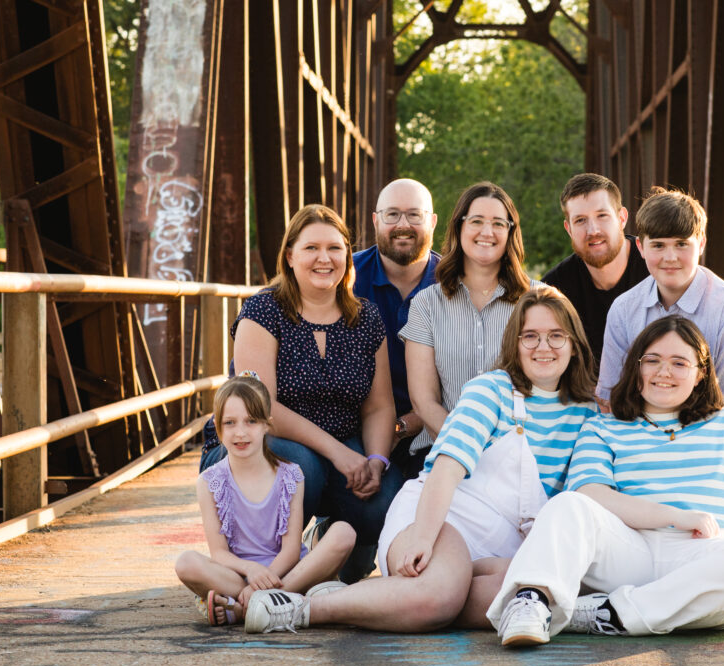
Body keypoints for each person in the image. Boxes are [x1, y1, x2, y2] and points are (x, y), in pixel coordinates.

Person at [240, 287, 599, 635]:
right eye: (530, 336)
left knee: (532, 594)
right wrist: (424, 538)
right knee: (438, 595)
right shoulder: (490, 390)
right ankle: (298, 608)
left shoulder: (589, 414)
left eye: (556, 336)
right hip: (440, 517)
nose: (543, 347)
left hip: (505, 545)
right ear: (514, 344)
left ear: (574, 344)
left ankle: (363, 600)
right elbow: (446, 468)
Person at [488, 317, 724, 647]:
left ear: (700, 373)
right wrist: (673, 516)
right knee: (568, 504)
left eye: (679, 363)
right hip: (629, 550)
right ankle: (532, 603)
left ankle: (605, 614)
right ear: (635, 368)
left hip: (703, 556)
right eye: (652, 360)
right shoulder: (604, 427)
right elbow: (589, 492)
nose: (663, 372)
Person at [199, 204, 404, 583]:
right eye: (311, 248)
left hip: (340, 448)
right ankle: (256, 569)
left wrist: (375, 459)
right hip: (258, 444)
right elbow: (262, 409)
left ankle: (322, 545)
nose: (324, 259)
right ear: (290, 256)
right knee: (296, 467)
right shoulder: (264, 310)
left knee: (384, 500)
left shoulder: (366, 317)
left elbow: (379, 406)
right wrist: (340, 452)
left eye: (335, 248)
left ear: (347, 255)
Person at [597, 188, 724, 575]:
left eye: (682, 244)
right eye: (658, 245)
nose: (670, 257)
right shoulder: (624, 309)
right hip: (660, 447)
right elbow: (611, 401)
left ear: (701, 243)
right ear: (639, 247)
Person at [175, 374, 357, 626]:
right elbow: (219, 553)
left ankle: (246, 605)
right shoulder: (209, 482)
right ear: (218, 428)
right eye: (229, 423)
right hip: (239, 576)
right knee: (186, 563)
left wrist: (267, 577)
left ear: (266, 425)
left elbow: (292, 550)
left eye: (251, 421)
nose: (240, 432)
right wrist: (251, 571)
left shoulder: (291, 475)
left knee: (344, 533)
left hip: (287, 572)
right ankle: (280, 602)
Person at [399, 181, 532, 468]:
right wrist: (470, 447)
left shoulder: (538, 300)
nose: (487, 232)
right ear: (459, 228)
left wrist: (501, 453)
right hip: (445, 450)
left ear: (511, 232)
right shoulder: (426, 304)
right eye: (477, 221)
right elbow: (424, 402)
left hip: (522, 454)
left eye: (499, 223)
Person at [353, 179, 440, 480]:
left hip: (435, 430)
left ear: (432, 221)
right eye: (392, 215)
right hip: (357, 431)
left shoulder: (455, 286)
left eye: (414, 215)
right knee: (374, 510)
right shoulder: (344, 279)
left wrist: (402, 426)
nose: (403, 225)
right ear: (376, 220)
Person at [542, 173, 648, 363]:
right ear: (569, 229)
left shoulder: (655, 270)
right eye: (580, 220)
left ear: (622, 218)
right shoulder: (554, 289)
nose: (593, 230)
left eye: (602, 215)